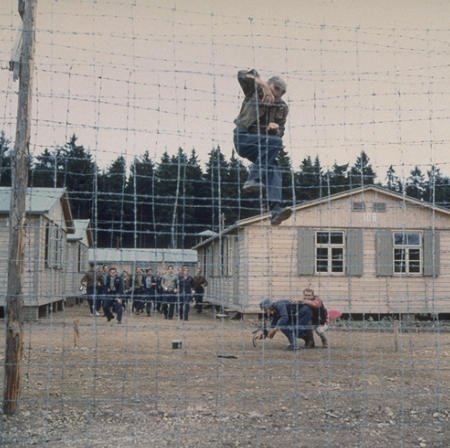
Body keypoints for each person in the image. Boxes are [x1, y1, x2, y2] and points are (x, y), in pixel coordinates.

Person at [234, 68, 292, 225]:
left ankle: (276, 211)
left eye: (282, 92)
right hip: (244, 138)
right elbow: (242, 74)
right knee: (275, 143)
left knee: (274, 167)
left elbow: (281, 132)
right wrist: (262, 85)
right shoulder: (254, 91)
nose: (278, 93)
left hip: (262, 146)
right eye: (276, 88)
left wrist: (276, 129)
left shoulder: (282, 107)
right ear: (269, 84)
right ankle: (253, 179)